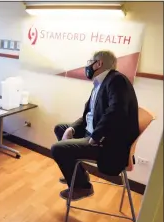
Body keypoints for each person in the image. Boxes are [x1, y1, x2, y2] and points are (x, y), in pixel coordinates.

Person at [51, 50, 139, 201]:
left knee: (57, 149)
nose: (88, 65)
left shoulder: (117, 80)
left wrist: (96, 136)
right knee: (61, 128)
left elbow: (117, 111)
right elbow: (88, 115)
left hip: (106, 143)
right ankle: (78, 175)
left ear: (99, 63)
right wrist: (71, 129)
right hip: (93, 132)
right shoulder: (100, 83)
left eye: (90, 61)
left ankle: (82, 187)